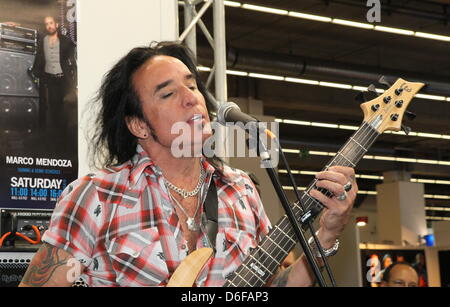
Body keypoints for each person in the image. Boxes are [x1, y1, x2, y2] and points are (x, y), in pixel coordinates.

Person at [19, 41, 358, 287]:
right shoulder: (96, 196)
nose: (191, 97)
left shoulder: (240, 191)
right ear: (138, 125)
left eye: (192, 85)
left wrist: (325, 235)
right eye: (167, 94)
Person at [31, 15, 76, 137]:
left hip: (64, 80)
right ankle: (56, 137)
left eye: (51, 23)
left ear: (56, 24)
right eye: (46, 24)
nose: (49, 26)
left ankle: (66, 136)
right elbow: (38, 61)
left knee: (66, 109)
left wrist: (75, 84)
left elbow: (73, 62)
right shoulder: (42, 41)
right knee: (53, 109)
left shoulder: (66, 41)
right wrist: (40, 75)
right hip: (50, 80)